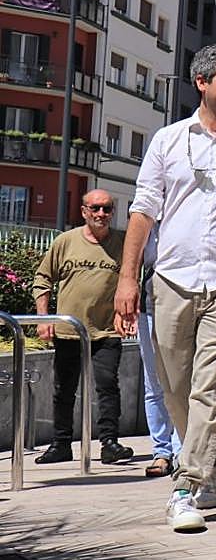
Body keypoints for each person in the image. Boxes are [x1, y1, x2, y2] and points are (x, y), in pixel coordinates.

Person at [116, 43, 216, 533]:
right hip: (172, 276)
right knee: (174, 387)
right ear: (202, 82)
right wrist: (128, 277)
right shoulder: (168, 141)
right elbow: (143, 212)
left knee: (209, 388)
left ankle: (185, 486)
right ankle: (210, 462)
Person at [32, 189, 135, 466]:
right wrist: (44, 319)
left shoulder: (123, 244)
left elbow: (134, 281)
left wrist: (128, 312)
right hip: (69, 330)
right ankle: (60, 444)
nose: (101, 214)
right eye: (96, 208)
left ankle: (109, 444)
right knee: (64, 389)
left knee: (107, 387)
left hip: (106, 331)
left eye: (107, 209)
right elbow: (43, 278)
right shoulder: (66, 242)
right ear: (84, 211)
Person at [138, 225, 181, 478]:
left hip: (184, 303)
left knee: (181, 382)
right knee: (154, 381)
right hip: (150, 305)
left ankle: (182, 451)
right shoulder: (146, 221)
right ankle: (161, 451)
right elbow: (134, 262)